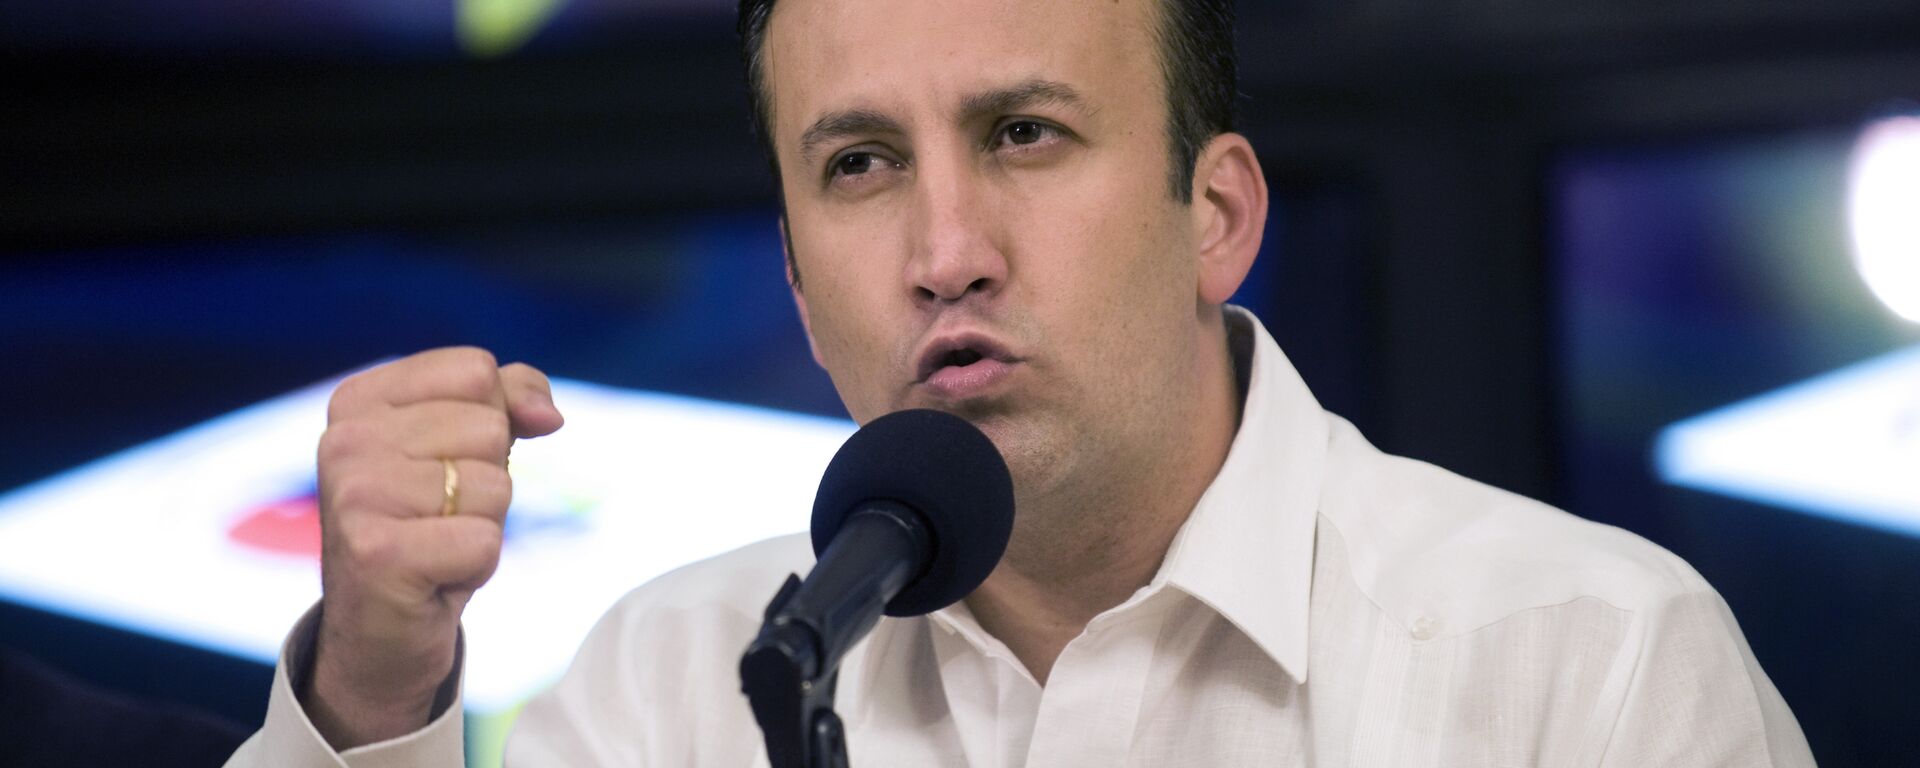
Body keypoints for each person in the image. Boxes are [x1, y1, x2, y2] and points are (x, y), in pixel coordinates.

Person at [227, 0, 1816, 765]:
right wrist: (372, 689)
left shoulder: (1583, 667)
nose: (945, 250)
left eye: (1024, 135)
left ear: (1220, 216)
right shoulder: (674, 687)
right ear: (796, 281)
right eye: (859, 165)